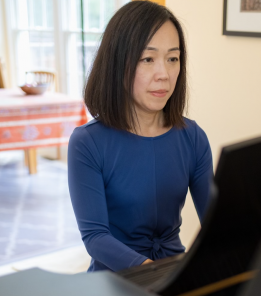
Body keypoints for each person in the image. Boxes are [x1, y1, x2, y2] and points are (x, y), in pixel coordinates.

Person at [68, 1, 213, 272]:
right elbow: (95, 238)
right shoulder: (87, 142)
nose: (164, 75)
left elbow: (216, 225)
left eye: (173, 59)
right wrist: (155, 275)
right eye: (148, 59)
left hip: (173, 272)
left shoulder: (192, 137)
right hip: (114, 282)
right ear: (118, 64)